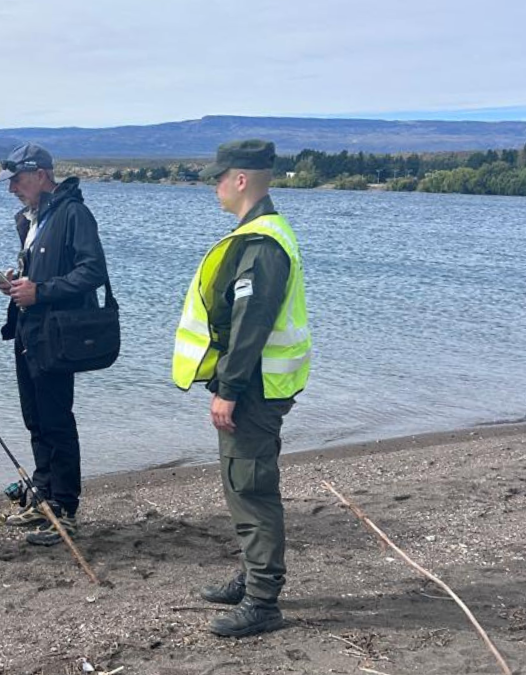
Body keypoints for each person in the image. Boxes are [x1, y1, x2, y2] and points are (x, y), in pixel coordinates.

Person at [172, 139, 312, 637]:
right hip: (256, 385)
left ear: (241, 179)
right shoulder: (258, 234)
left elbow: (252, 324)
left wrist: (228, 388)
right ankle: (253, 575)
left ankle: (262, 601)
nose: (213, 186)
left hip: (253, 388)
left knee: (252, 489)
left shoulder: (262, 243)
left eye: (218, 177)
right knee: (242, 484)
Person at [0, 142, 109, 547]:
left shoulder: (74, 213)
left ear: (41, 174)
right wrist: (17, 283)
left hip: (58, 336)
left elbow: (93, 271)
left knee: (57, 420)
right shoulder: (32, 218)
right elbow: (42, 272)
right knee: (35, 418)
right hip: (29, 332)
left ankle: (66, 509)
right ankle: (43, 499)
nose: (12, 190)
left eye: (17, 181)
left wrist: (40, 291)